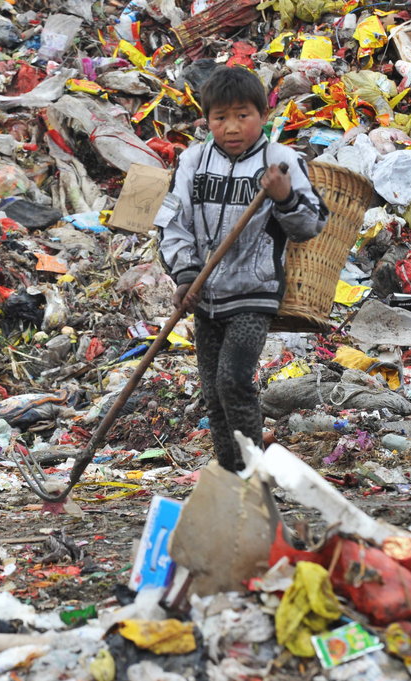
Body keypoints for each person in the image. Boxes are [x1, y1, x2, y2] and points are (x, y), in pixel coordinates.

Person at [155, 66, 328, 472]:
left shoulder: (280, 162)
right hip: (203, 294)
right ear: (207, 120)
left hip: (255, 291)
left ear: (263, 116)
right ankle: (231, 475)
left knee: (233, 382)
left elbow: (312, 224)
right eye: (220, 118)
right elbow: (172, 223)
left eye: (242, 115)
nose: (232, 127)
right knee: (213, 395)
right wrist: (184, 275)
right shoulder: (193, 161)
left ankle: (253, 473)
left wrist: (284, 198)